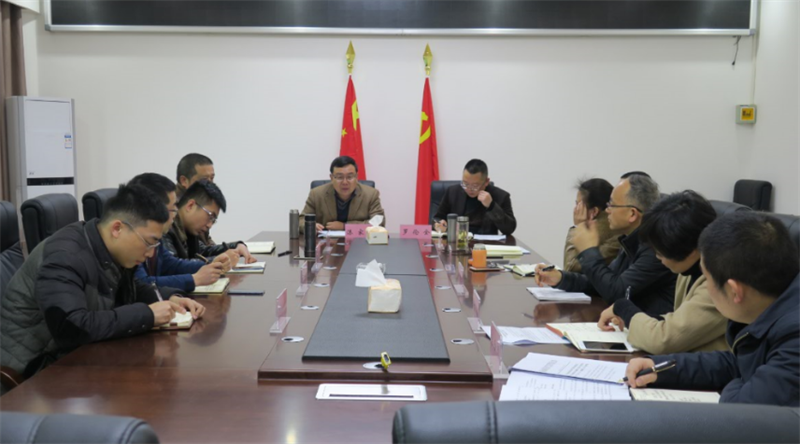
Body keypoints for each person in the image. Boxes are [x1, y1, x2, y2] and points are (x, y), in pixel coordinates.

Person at [0, 184, 205, 379]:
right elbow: (71, 328)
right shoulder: (65, 256)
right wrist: (148, 314)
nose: (151, 253)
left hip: (76, 357)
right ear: (117, 228)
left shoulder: (107, 247)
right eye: (149, 242)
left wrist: (168, 298)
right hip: (36, 372)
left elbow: (131, 288)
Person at [624, 212, 800, 407]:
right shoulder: (771, 306)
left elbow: (743, 409)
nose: (706, 288)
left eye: (706, 279)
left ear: (734, 291)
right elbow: (738, 363)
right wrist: (661, 368)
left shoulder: (795, 338)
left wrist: (740, 382)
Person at [597, 191, 727, 354]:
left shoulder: (719, 284)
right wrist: (636, 320)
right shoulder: (689, 269)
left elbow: (663, 340)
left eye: (660, 251)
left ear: (690, 248)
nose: (657, 257)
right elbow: (680, 322)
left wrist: (623, 308)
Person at [536, 173, 675, 317]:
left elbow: (615, 292)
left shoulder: (654, 248)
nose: (607, 210)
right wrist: (561, 278)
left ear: (632, 214)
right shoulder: (631, 239)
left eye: (612, 205)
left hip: (651, 327)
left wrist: (588, 251)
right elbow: (601, 283)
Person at [130, 173, 231, 292]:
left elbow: (171, 264)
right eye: (173, 209)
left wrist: (211, 263)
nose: (175, 214)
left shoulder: (157, 236)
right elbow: (141, 284)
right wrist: (194, 279)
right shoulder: (132, 239)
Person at [164, 179, 254, 263]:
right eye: (210, 216)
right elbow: (174, 267)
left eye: (213, 220)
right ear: (190, 206)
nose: (210, 225)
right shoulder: (166, 228)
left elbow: (203, 252)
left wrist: (236, 246)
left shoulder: (189, 229)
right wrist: (217, 260)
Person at [300, 156, 385, 232]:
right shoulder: (316, 194)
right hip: (325, 242)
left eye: (350, 177)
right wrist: (310, 226)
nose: (345, 182)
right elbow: (301, 220)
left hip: (359, 242)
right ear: (332, 178)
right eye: (340, 177)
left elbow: (379, 222)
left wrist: (345, 226)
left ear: (356, 177)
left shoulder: (371, 194)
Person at [432, 159, 516, 235]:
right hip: (458, 242)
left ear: (486, 182)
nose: (469, 189)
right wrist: (438, 224)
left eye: (475, 186)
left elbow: (509, 229)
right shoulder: (452, 192)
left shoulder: (501, 196)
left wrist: (492, 206)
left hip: (486, 244)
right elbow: (437, 218)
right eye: (465, 184)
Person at [563, 178, 621, 272]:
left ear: (594, 211)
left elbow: (570, 267)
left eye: (578, 205)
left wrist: (578, 228)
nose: (575, 210)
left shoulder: (600, 231)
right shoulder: (613, 224)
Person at [175, 153, 217, 247]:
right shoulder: (174, 209)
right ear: (184, 181)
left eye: (212, 178)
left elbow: (205, 240)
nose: (210, 184)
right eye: (204, 179)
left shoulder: (198, 200)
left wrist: (230, 249)